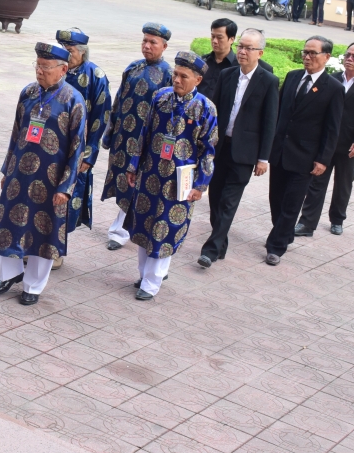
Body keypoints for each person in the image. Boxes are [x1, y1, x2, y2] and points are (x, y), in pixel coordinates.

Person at [0, 43, 86, 306]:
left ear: (63, 69)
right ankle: (9, 274)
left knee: (45, 231)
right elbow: (16, 133)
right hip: (20, 172)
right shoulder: (28, 93)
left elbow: (78, 149)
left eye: (46, 67)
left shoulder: (73, 100)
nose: (40, 71)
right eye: (37, 65)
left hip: (51, 179)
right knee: (9, 222)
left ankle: (33, 285)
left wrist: (66, 186)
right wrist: (7, 169)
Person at [124, 51, 218, 300]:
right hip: (151, 174)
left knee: (165, 229)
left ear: (197, 80)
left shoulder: (205, 108)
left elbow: (209, 151)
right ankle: (144, 274)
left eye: (183, 76)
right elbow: (144, 134)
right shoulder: (160, 97)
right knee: (145, 225)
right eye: (175, 74)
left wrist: (201, 184)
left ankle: (152, 283)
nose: (176, 80)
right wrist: (134, 166)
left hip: (179, 182)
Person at [198, 29, 278, 268]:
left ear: (260, 53)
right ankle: (220, 242)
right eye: (240, 47)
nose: (242, 52)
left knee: (229, 202)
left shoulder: (268, 80)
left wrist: (263, 158)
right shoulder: (228, 75)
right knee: (214, 198)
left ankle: (210, 250)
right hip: (221, 148)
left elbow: (270, 121)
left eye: (248, 48)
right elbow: (216, 110)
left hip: (245, 152)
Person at [264, 36, 344, 266]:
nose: (307, 57)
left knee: (292, 203)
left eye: (313, 53)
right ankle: (284, 233)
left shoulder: (334, 88)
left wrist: (323, 159)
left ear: (326, 57)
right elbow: (278, 113)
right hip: (280, 151)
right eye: (305, 52)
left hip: (306, 156)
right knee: (276, 200)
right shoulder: (292, 77)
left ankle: (276, 247)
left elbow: (332, 128)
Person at [101, 24, 173, 250]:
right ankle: (126, 227)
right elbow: (118, 101)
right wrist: (110, 132)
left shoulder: (169, 75)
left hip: (145, 143)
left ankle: (121, 231)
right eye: (145, 40)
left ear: (164, 46)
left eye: (153, 42)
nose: (147, 45)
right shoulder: (133, 68)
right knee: (123, 181)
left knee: (135, 185)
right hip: (123, 138)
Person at [296, 42, 354, 237]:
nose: (349, 59)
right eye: (347, 55)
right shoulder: (331, 80)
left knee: (343, 183)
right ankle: (307, 223)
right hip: (326, 143)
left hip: (349, 145)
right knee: (316, 181)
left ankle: (337, 219)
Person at [57, 29, 112, 260]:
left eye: (69, 52)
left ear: (82, 52)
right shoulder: (55, 71)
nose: (65, 57)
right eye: (63, 50)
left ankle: (57, 249)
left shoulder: (96, 76)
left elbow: (102, 117)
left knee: (67, 197)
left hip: (78, 151)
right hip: (52, 147)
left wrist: (89, 155)